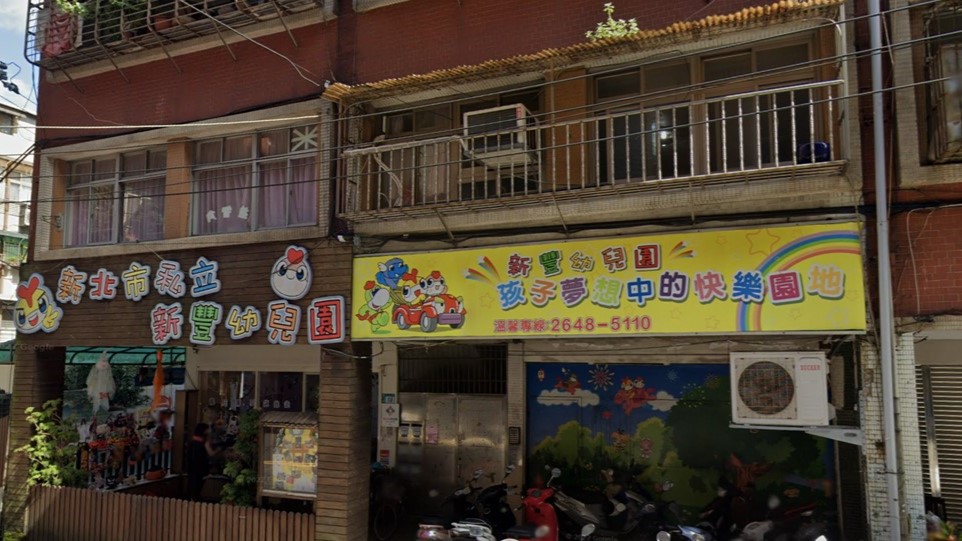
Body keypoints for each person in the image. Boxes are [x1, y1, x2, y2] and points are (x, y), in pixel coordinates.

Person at [187, 423, 218, 501]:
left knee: (194, 487)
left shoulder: (194, 442)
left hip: (194, 469)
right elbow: (211, 453)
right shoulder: (202, 442)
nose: (209, 431)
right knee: (196, 487)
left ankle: (192, 499)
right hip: (199, 469)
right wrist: (219, 449)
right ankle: (194, 499)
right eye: (207, 429)